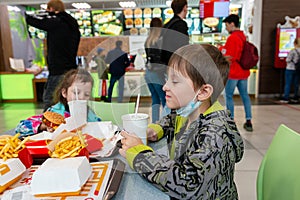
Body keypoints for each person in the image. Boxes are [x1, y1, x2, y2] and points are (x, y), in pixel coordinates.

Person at [119, 44, 244, 199]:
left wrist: (139, 154)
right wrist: (155, 129)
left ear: (203, 92)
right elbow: (171, 121)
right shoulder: (188, 111)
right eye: (167, 79)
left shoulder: (215, 135)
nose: (165, 87)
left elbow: (187, 183)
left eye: (175, 81)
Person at [25, 0, 80, 111]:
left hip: (58, 69)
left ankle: (46, 124)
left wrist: (26, 16)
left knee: (49, 99)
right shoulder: (72, 24)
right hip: (71, 69)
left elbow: (36, 22)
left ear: (53, 9)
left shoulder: (56, 23)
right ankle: (72, 122)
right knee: (69, 99)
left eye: (48, 9)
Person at [15, 69, 101, 138]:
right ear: (64, 93)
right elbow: (20, 128)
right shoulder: (54, 112)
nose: (82, 97)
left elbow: (102, 128)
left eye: (86, 94)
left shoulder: (90, 114)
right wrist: (43, 126)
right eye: (76, 92)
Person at [221, 14, 254, 132]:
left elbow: (229, 56)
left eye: (226, 25)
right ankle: (249, 120)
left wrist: (220, 50)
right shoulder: (242, 36)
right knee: (245, 96)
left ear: (232, 24)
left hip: (234, 72)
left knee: (228, 96)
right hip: (244, 72)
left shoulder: (232, 38)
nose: (226, 28)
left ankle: (230, 121)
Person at [145, 18, 168, 123]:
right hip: (157, 73)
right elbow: (160, 60)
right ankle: (165, 123)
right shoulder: (160, 40)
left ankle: (154, 123)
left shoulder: (148, 41)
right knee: (165, 100)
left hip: (148, 73)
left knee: (155, 99)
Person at [160, 0, 189, 66]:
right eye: (187, 7)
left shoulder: (168, 24)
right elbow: (183, 47)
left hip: (167, 63)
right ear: (184, 8)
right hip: (176, 64)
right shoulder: (180, 24)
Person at [280, 38, 300, 103]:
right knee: (296, 84)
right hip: (298, 69)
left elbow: (287, 60)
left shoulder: (293, 51)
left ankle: (286, 97)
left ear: (295, 43)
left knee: (288, 84)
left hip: (290, 68)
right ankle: (295, 97)